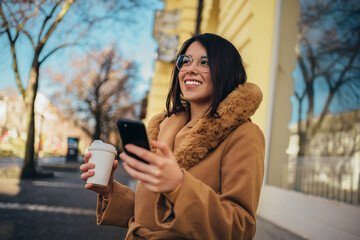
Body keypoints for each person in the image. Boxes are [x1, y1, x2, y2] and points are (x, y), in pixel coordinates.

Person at [80, 33, 265, 240]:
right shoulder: (163, 128)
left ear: (227, 70)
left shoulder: (244, 135)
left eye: (205, 62)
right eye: (185, 61)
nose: (190, 69)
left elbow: (240, 228)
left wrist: (179, 186)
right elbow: (151, 213)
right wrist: (109, 191)